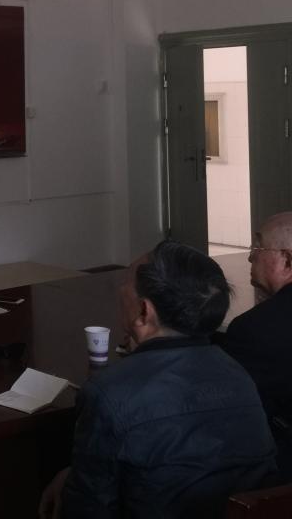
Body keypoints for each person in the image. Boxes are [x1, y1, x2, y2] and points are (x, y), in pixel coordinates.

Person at [39, 241, 275, 519]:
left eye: (125, 283)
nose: (119, 290)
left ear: (144, 311)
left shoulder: (109, 392)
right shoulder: (237, 374)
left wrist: (72, 485)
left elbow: (88, 509)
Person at [221, 212, 292, 483]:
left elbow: (235, 415)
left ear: (287, 260)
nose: (250, 257)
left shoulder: (254, 329)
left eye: (258, 247)